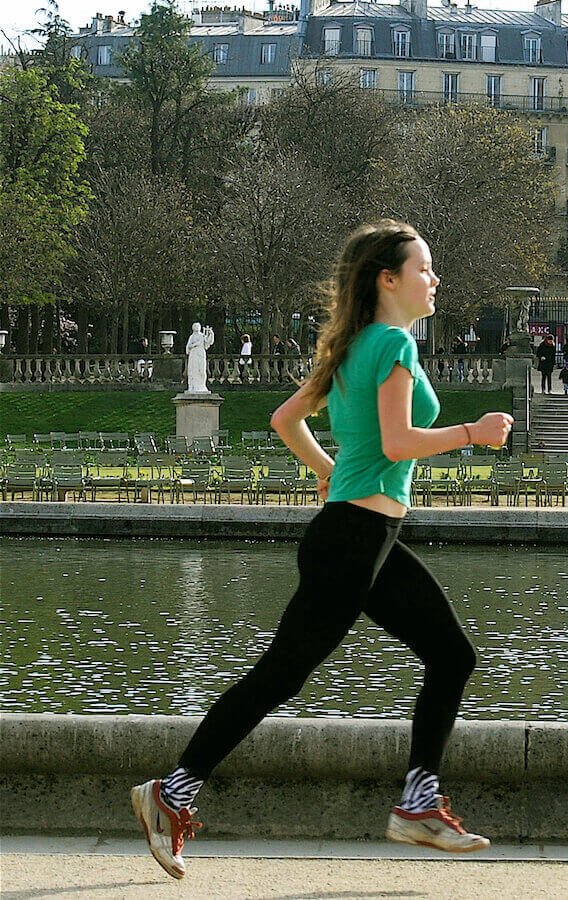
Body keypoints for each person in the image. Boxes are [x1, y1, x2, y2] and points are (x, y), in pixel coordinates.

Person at [129, 220, 513, 880]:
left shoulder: (351, 345)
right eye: (424, 268)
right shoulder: (391, 343)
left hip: (363, 537)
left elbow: (286, 420)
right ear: (387, 280)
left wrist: (328, 469)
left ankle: (416, 804)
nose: (435, 279)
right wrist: (472, 433)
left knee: (450, 655)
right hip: (353, 541)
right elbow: (398, 442)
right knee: (280, 676)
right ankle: (173, 790)